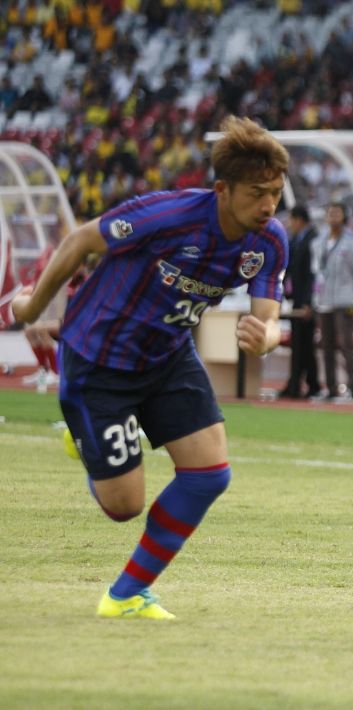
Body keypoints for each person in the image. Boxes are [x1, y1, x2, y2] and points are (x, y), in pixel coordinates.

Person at [11, 116, 290, 618]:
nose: (268, 205)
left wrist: (265, 338)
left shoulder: (268, 241)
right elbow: (80, 242)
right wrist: (32, 310)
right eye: (257, 193)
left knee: (209, 475)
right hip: (100, 358)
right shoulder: (168, 214)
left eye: (275, 192)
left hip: (168, 355)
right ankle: (85, 436)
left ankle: (126, 595)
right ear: (223, 190)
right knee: (124, 507)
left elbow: (269, 319)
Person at [312, 201, 353, 403]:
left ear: (344, 217)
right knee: (325, 345)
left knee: (346, 344)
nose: (333, 216)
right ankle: (331, 387)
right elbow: (316, 271)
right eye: (330, 213)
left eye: (337, 213)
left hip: (345, 300)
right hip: (324, 299)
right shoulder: (318, 243)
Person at [279, 203, 321, 399]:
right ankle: (300, 382)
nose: (289, 224)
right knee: (300, 344)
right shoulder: (296, 239)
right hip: (297, 298)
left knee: (304, 344)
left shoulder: (313, 240)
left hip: (306, 300)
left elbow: (313, 274)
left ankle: (304, 384)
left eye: (292, 220)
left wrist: (308, 301)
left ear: (299, 220)